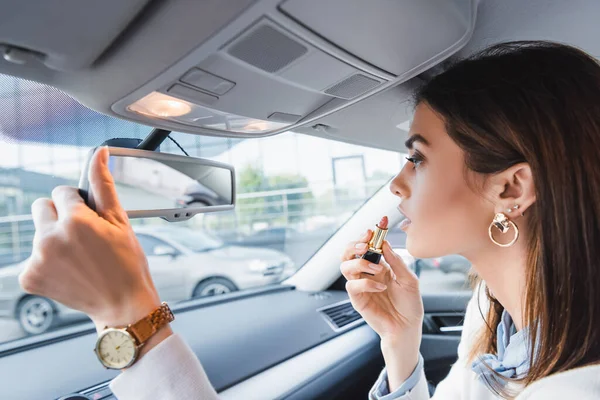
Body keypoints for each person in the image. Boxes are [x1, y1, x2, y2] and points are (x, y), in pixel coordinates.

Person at [18, 41, 600, 400]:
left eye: (418, 157)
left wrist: (128, 315)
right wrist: (400, 345)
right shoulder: (500, 324)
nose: (397, 184)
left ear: (510, 187)